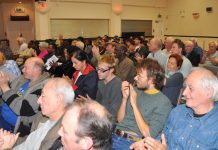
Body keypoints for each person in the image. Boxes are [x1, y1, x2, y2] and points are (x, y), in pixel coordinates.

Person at [130, 67, 218, 150]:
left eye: (191, 88)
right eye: (185, 87)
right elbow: (163, 139)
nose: (184, 93)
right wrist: (147, 144)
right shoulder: (178, 112)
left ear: (208, 92)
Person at [112, 58, 172, 150]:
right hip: (114, 135)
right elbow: (120, 120)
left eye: (139, 76)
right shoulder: (136, 91)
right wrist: (124, 99)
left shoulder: (163, 102)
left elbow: (148, 134)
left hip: (132, 142)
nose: (135, 78)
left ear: (151, 80)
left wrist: (134, 104)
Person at [0, 78, 75, 150]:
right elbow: (29, 141)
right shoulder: (42, 117)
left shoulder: (61, 135)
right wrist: (9, 140)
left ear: (59, 99)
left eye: (43, 96)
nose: (38, 101)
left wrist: (7, 148)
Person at [0, 57, 50, 136]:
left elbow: (23, 108)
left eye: (26, 68)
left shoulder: (44, 87)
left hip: (16, 129)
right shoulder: (23, 78)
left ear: (36, 70)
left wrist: (4, 87)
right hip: (2, 117)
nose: (22, 70)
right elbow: (8, 92)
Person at [96, 54, 122, 126]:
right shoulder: (101, 82)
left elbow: (114, 112)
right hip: (101, 115)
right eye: (98, 68)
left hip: (110, 120)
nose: (98, 72)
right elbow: (98, 101)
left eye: (102, 70)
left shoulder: (117, 84)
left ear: (111, 70)